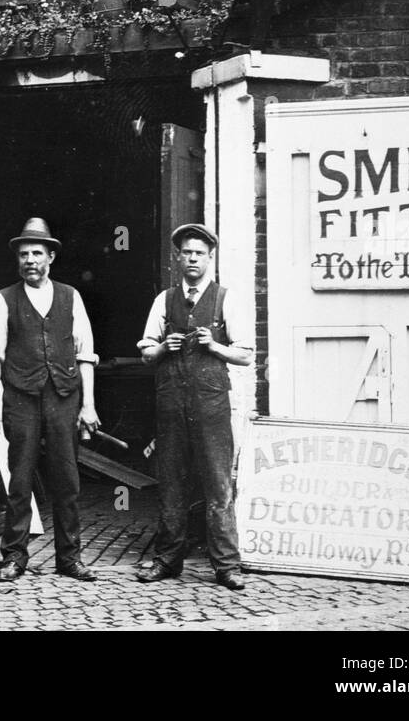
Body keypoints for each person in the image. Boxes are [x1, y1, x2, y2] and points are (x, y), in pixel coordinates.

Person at [0, 217, 100, 583]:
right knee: (19, 480)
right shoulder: (4, 299)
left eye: (36, 253)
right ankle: (14, 557)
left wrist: (89, 404)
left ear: (51, 256)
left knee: (67, 480)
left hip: (64, 397)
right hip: (21, 398)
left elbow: (86, 354)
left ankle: (69, 558)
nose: (30, 259)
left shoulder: (70, 296)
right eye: (23, 254)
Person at [136, 223, 252, 591]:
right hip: (171, 406)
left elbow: (246, 355)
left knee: (218, 485)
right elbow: (145, 354)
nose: (192, 259)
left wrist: (215, 345)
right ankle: (167, 561)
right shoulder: (163, 300)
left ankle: (226, 566)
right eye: (186, 253)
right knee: (171, 484)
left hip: (211, 407)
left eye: (199, 253)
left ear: (209, 258)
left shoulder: (224, 299)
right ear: (178, 257)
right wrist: (162, 347)